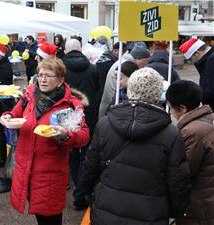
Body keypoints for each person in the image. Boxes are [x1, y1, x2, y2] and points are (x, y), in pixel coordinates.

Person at [79, 67, 191, 225]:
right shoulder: (171, 133)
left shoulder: (105, 124)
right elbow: (178, 182)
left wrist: (89, 195)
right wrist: (173, 211)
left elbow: (89, 168)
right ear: (157, 93)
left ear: (130, 89)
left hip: (106, 206)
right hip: (151, 212)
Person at [0, 58, 90, 225]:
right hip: (26, 168)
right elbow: (17, 110)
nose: (42, 79)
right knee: (39, 214)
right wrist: (9, 116)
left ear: (60, 80)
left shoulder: (70, 105)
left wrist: (66, 136)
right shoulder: (29, 94)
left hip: (49, 174)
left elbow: (84, 136)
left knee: (50, 218)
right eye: (40, 75)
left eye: (48, 75)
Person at [166, 80, 214, 225]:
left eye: (171, 108)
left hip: (199, 206)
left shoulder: (192, 132)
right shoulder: (208, 120)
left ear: (182, 108)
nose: (171, 113)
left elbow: (184, 170)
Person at [62, 38, 99, 210]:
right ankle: (84, 192)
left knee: (73, 156)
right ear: (81, 50)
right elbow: (97, 91)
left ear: (66, 51)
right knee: (87, 155)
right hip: (88, 116)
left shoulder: (60, 69)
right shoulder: (92, 68)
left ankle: (79, 191)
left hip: (67, 116)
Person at [98, 46, 150, 119]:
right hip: (111, 109)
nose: (146, 64)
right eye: (146, 61)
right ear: (139, 59)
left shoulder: (122, 62)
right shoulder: (126, 66)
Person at [180, 38, 214, 110]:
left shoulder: (211, 60)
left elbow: (211, 89)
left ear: (197, 52)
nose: (192, 61)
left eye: (190, 58)